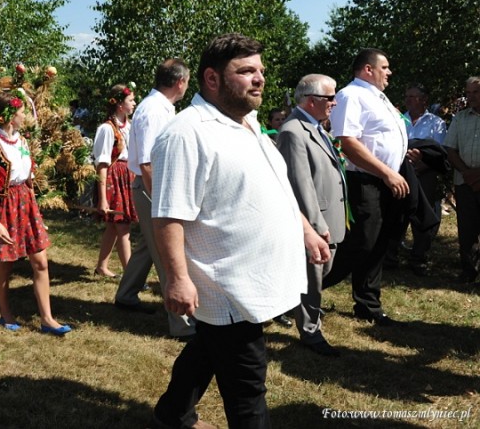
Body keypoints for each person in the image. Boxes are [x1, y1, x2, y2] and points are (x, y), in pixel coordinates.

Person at [150, 34, 328, 429]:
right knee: (248, 384)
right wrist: (177, 279)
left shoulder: (247, 123)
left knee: (208, 351)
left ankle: (171, 413)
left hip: (256, 278)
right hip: (227, 283)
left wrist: (306, 231)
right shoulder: (187, 133)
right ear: (212, 79)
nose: (259, 78)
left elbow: (277, 188)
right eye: (246, 71)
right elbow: (168, 215)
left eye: (260, 70)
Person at [0, 91, 70, 335]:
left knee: (41, 261)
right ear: (8, 116)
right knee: (6, 264)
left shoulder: (23, 141)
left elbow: (28, 179)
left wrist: (35, 210)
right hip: (3, 206)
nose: (25, 115)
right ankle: (6, 313)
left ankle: (47, 318)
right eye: (21, 112)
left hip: (25, 203)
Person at [324, 48, 409, 326]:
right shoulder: (352, 95)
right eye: (384, 67)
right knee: (360, 244)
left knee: (379, 242)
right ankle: (302, 291)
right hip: (367, 181)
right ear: (368, 69)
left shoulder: (378, 97)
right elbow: (347, 142)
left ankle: (368, 304)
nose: (389, 72)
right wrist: (386, 172)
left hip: (386, 179)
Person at [114, 58, 195, 340]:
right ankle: (182, 323)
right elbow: (147, 161)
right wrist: (161, 200)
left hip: (153, 188)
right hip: (153, 189)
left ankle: (126, 295)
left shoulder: (160, 107)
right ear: (180, 82)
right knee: (166, 252)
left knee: (147, 247)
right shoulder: (153, 110)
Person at [276, 74, 347, 357]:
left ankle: (294, 312)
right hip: (316, 222)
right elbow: (300, 183)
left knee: (318, 274)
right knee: (312, 278)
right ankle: (310, 331)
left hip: (328, 217)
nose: (335, 103)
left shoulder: (314, 126)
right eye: (330, 98)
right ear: (311, 100)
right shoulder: (294, 131)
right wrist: (315, 225)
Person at [396, 83, 449, 275]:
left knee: (423, 215)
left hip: (425, 175)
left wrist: (421, 164)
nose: (408, 100)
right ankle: (391, 256)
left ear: (424, 100)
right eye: (406, 96)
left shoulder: (436, 123)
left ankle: (418, 259)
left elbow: (441, 152)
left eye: (412, 96)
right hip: (400, 174)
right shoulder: (398, 120)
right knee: (398, 214)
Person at [92, 84, 137, 278]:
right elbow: (102, 164)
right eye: (131, 100)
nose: (134, 103)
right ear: (119, 104)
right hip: (112, 178)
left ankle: (102, 266)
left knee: (114, 226)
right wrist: (102, 198)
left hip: (127, 175)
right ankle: (131, 276)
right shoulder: (107, 129)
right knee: (123, 225)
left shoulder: (131, 125)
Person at [444, 76, 480, 283]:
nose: (471, 96)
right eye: (468, 92)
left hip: (472, 178)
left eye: (475, 92)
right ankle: (469, 271)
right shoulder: (460, 118)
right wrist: (468, 173)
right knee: (467, 230)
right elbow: (450, 149)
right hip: (464, 182)